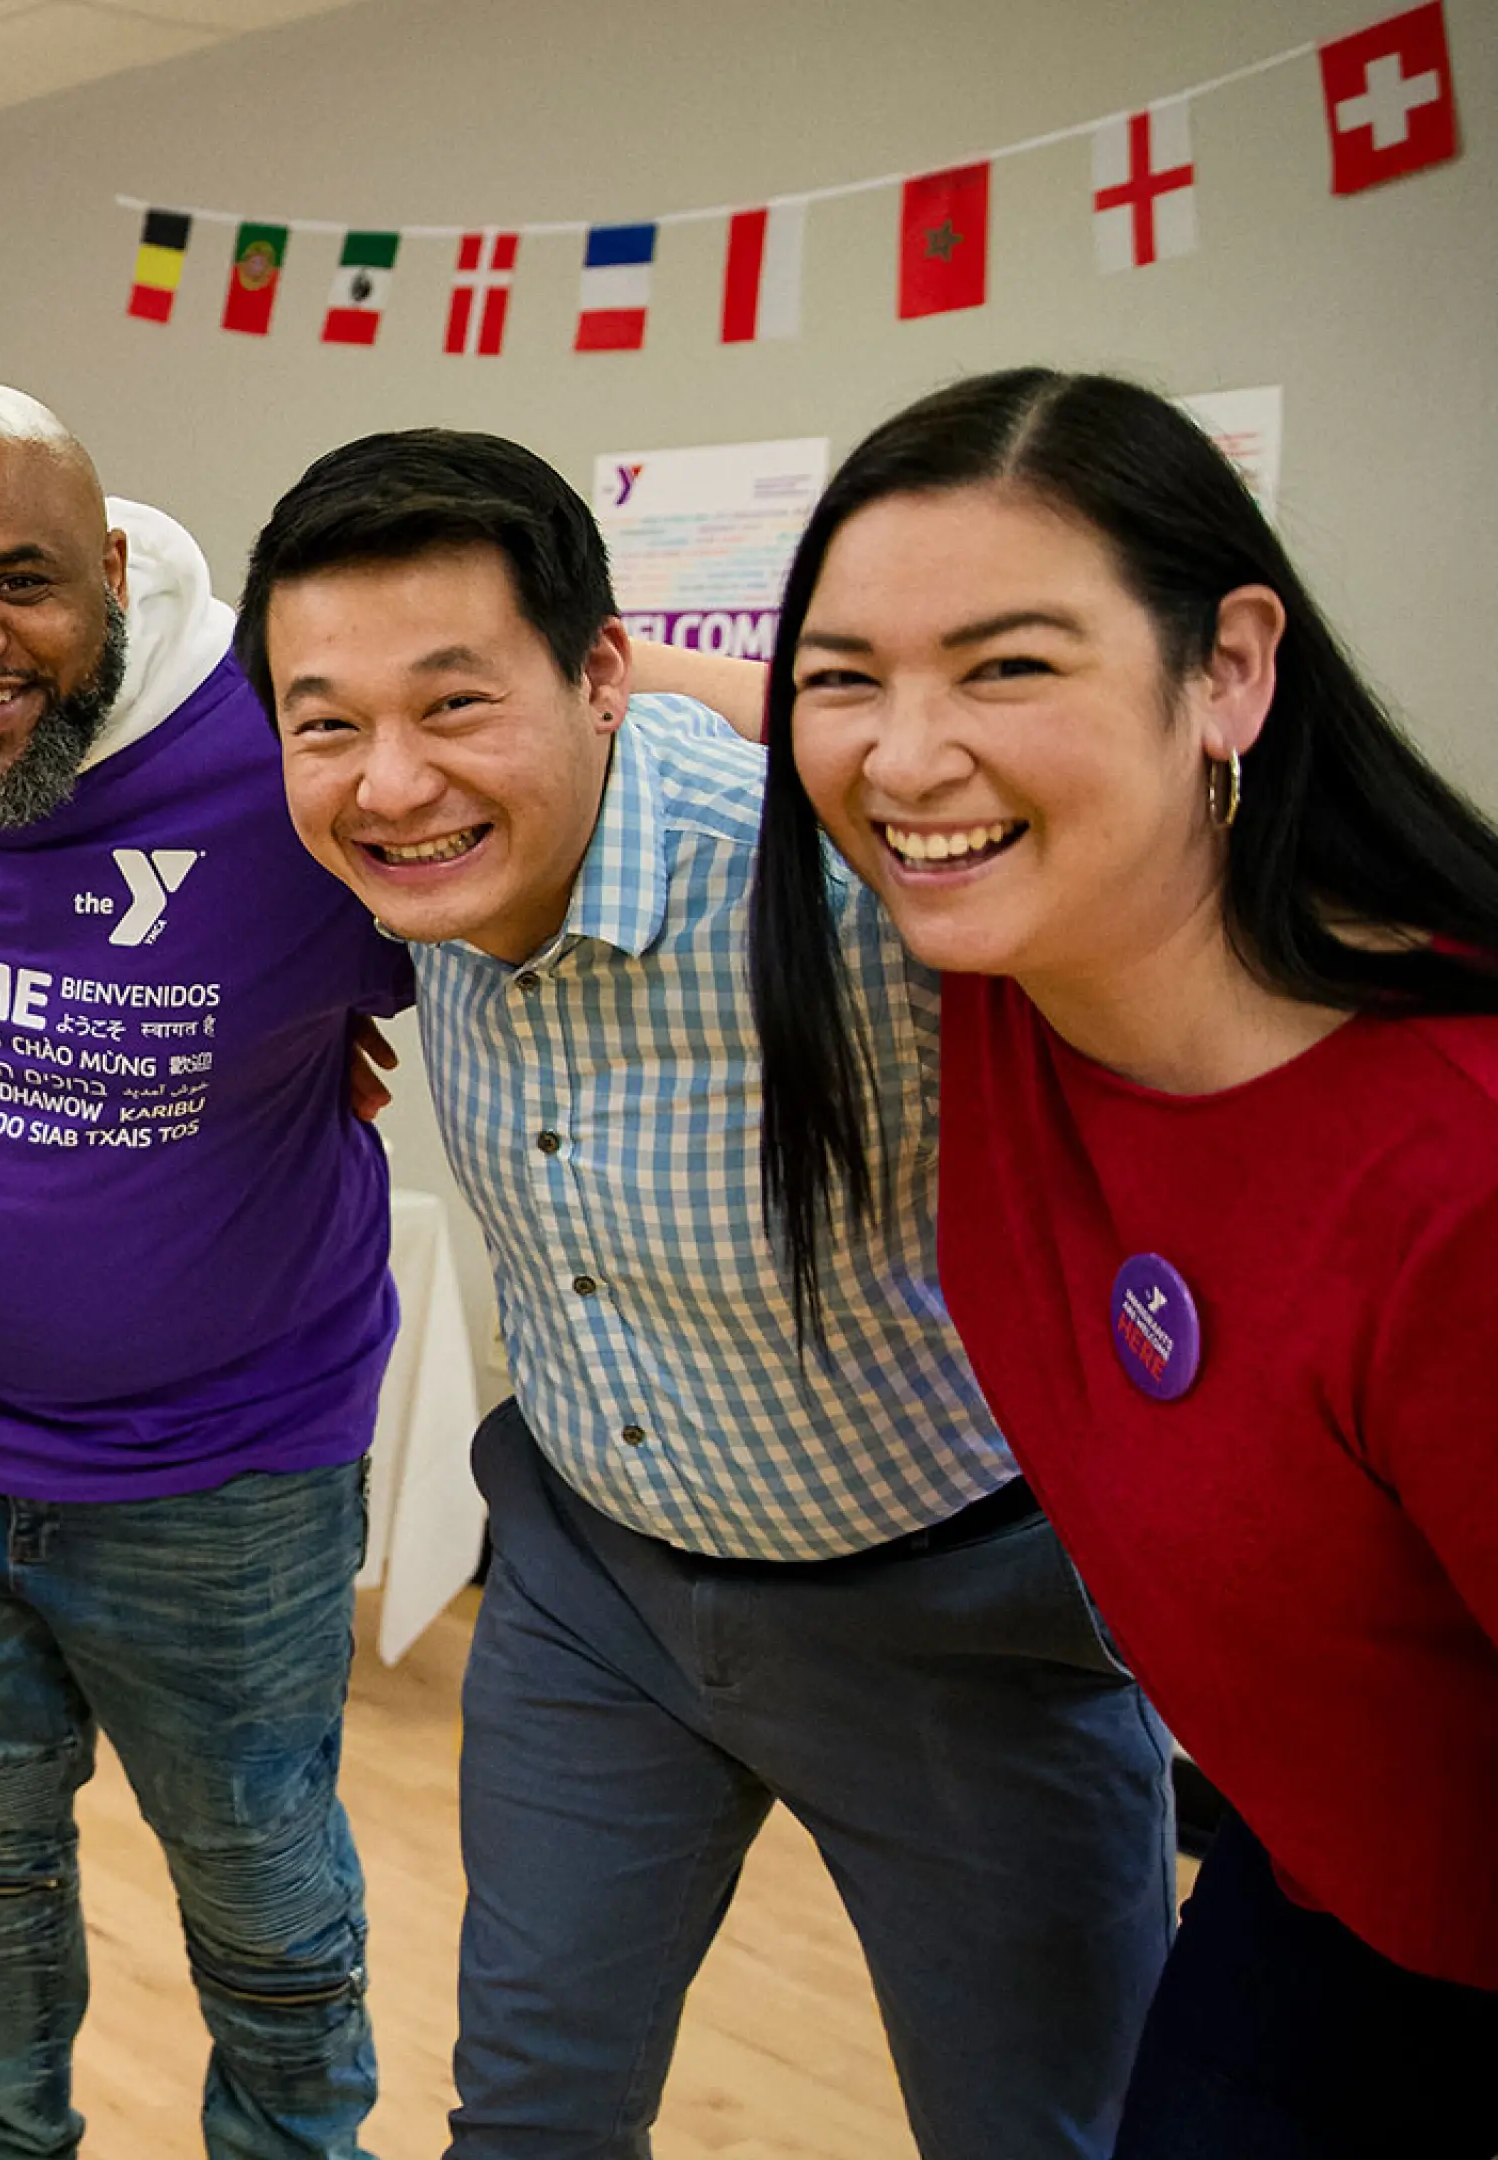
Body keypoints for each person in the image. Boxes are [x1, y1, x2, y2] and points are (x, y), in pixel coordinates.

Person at [241, 427, 1172, 2159]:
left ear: (601, 674)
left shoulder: (854, 884)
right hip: (597, 1596)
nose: (387, 785)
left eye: (456, 705)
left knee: (1049, 2131)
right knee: (528, 2119)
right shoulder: (379, 873)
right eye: (328, 722)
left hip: (951, 1620)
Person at [751, 368, 1498, 2159]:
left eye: (1009, 666)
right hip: (1312, 1896)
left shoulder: (1453, 1176)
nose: (905, 756)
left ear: (1230, 670)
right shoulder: (1016, 968)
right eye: (843, 677)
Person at [0, 382, 408, 2160]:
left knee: (264, 1901)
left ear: (114, 568)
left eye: (23, 580)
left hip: (225, 1480)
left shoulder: (285, 743)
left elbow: (529, 751)